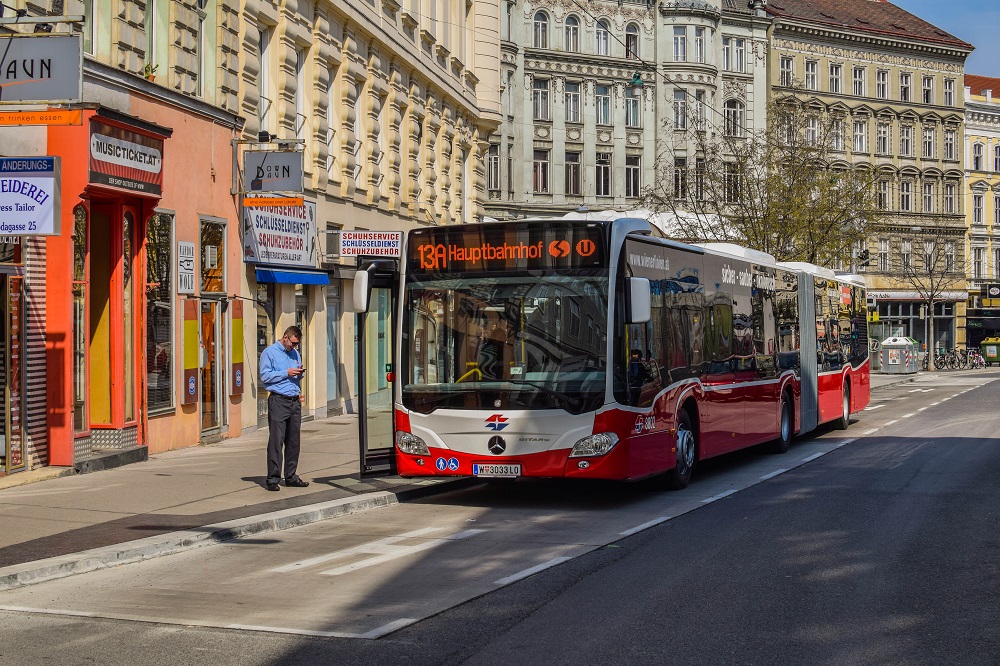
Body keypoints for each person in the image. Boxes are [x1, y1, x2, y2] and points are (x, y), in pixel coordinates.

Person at [260, 325, 309, 491]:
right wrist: (286, 372)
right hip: (279, 400)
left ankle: (291, 475)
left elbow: (296, 372)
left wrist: (300, 372)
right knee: (276, 440)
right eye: (292, 343)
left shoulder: (295, 353)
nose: (294, 347)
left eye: (296, 344)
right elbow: (265, 376)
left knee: (294, 441)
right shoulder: (270, 352)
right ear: (285, 337)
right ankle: (273, 478)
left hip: (294, 400)